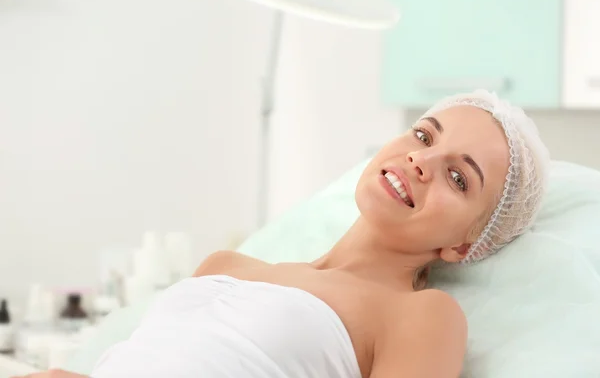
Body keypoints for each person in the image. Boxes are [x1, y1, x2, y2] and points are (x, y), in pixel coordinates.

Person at [17, 89, 549, 378]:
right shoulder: (226, 266)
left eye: (459, 177)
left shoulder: (420, 315)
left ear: (465, 244)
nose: (420, 159)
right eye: (423, 134)